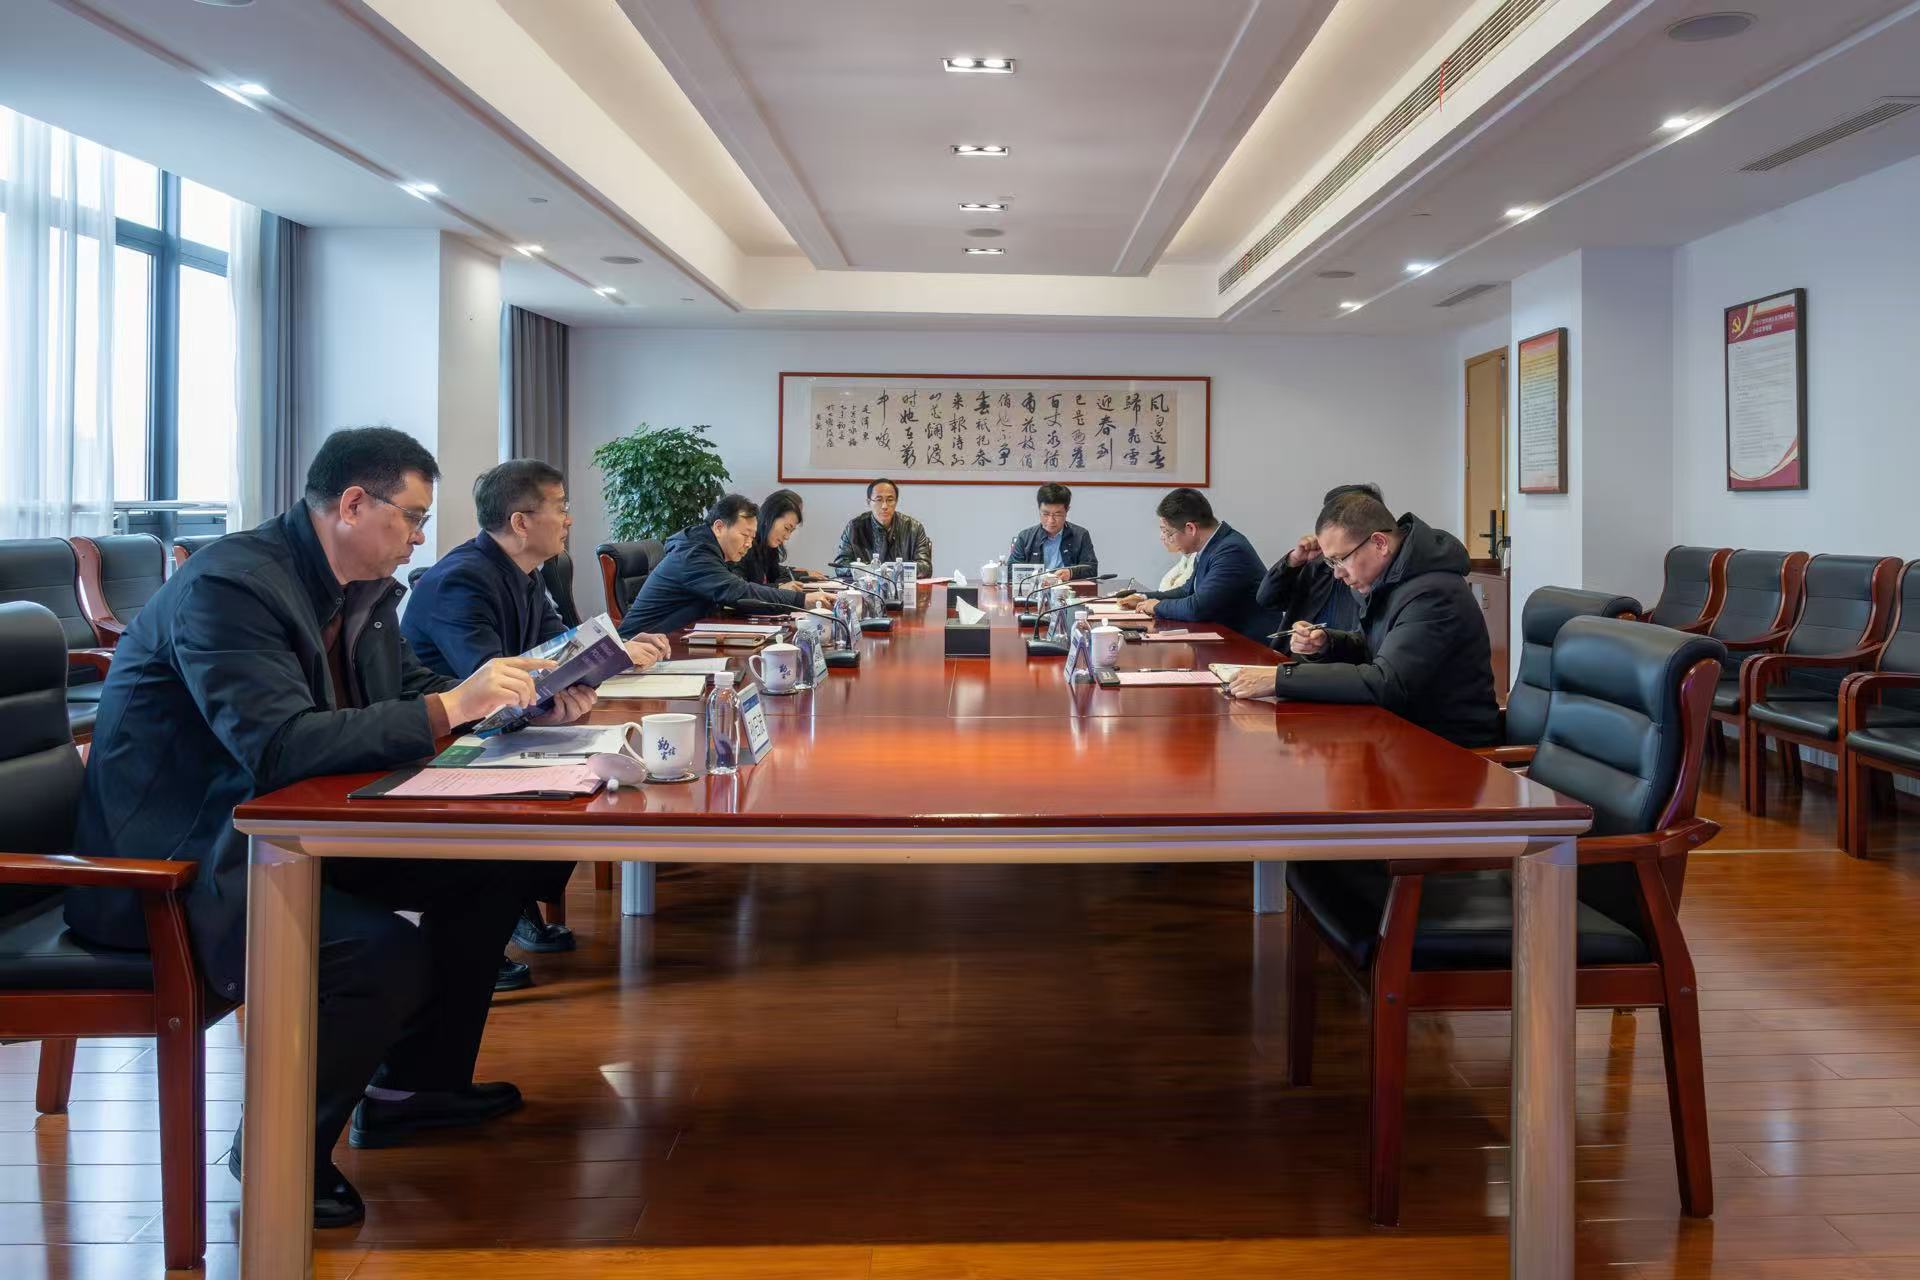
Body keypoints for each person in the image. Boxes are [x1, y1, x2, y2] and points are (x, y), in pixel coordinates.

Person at [64, 427, 588, 1227]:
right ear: (351, 504)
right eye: (412, 517)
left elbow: (410, 691)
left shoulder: (358, 591)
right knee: (378, 952)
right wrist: (453, 704)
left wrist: (517, 703)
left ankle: (415, 1089)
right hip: (178, 868)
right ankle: (280, 1151)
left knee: (492, 864)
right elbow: (277, 746)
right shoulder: (232, 589)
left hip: (278, 837)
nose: (420, 538)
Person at [402, 460, 671, 986]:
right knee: (577, 780)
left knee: (596, 772)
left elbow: (561, 647)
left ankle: (513, 905)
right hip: (444, 743)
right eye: (561, 507)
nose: (569, 519)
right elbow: (487, 680)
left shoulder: (527, 573)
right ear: (521, 522)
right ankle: (491, 923)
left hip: (501, 729)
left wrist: (613, 653)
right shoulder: (463, 579)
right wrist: (552, 702)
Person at [1226, 490, 1499, 748]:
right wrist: (1327, 643)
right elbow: (1371, 647)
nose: (1337, 574)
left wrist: (1280, 678)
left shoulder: (1434, 593)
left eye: (1340, 559)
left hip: (1445, 749)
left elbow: (1387, 683)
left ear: (1379, 543)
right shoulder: (1390, 580)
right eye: (1331, 563)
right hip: (1398, 734)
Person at [618, 493, 834, 637]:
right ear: (719, 527)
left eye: (752, 537)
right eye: (744, 535)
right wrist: (801, 600)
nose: (748, 544)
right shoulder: (695, 554)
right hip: (636, 653)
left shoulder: (712, 551)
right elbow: (738, 591)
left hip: (672, 641)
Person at [1115, 488, 1280, 641]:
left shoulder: (1231, 551)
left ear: (1190, 528)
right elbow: (1186, 591)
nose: (1165, 538)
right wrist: (1144, 598)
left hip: (1251, 647)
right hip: (1226, 639)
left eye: (1167, 532)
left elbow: (1197, 608)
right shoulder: (1212, 545)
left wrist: (1157, 607)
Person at [1256, 482, 1382, 649]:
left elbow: (1364, 646)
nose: (1338, 572)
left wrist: (1324, 642)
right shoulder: (1318, 563)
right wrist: (1294, 561)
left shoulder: (1374, 577)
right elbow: (1267, 599)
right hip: (1290, 656)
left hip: (1334, 661)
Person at [830, 478, 933, 576]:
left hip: (903, 586)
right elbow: (840, 566)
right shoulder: (854, 528)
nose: (884, 506)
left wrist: (891, 571)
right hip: (865, 585)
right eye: (879, 500)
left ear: (896, 502)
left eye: (890, 500)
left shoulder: (914, 528)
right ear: (869, 502)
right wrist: (869, 570)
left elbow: (925, 567)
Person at [1006, 482, 1099, 585]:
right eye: (1045, 514)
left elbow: (1092, 569)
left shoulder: (1080, 535)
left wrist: (1071, 573)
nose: (1051, 520)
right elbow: (1010, 570)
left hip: (1068, 590)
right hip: (1035, 590)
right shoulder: (1025, 537)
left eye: (1057, 514)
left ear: (1067, 510)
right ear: (1039, 510)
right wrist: (1036, 577)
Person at [738, 488, 823, 586]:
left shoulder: (768, 546)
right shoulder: (744, 544)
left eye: (791, 531)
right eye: (786, 528)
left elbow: (775, 575)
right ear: (770, 517)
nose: (787, 537)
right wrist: (780, 588)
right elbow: (742, 589)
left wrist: (802, 574)